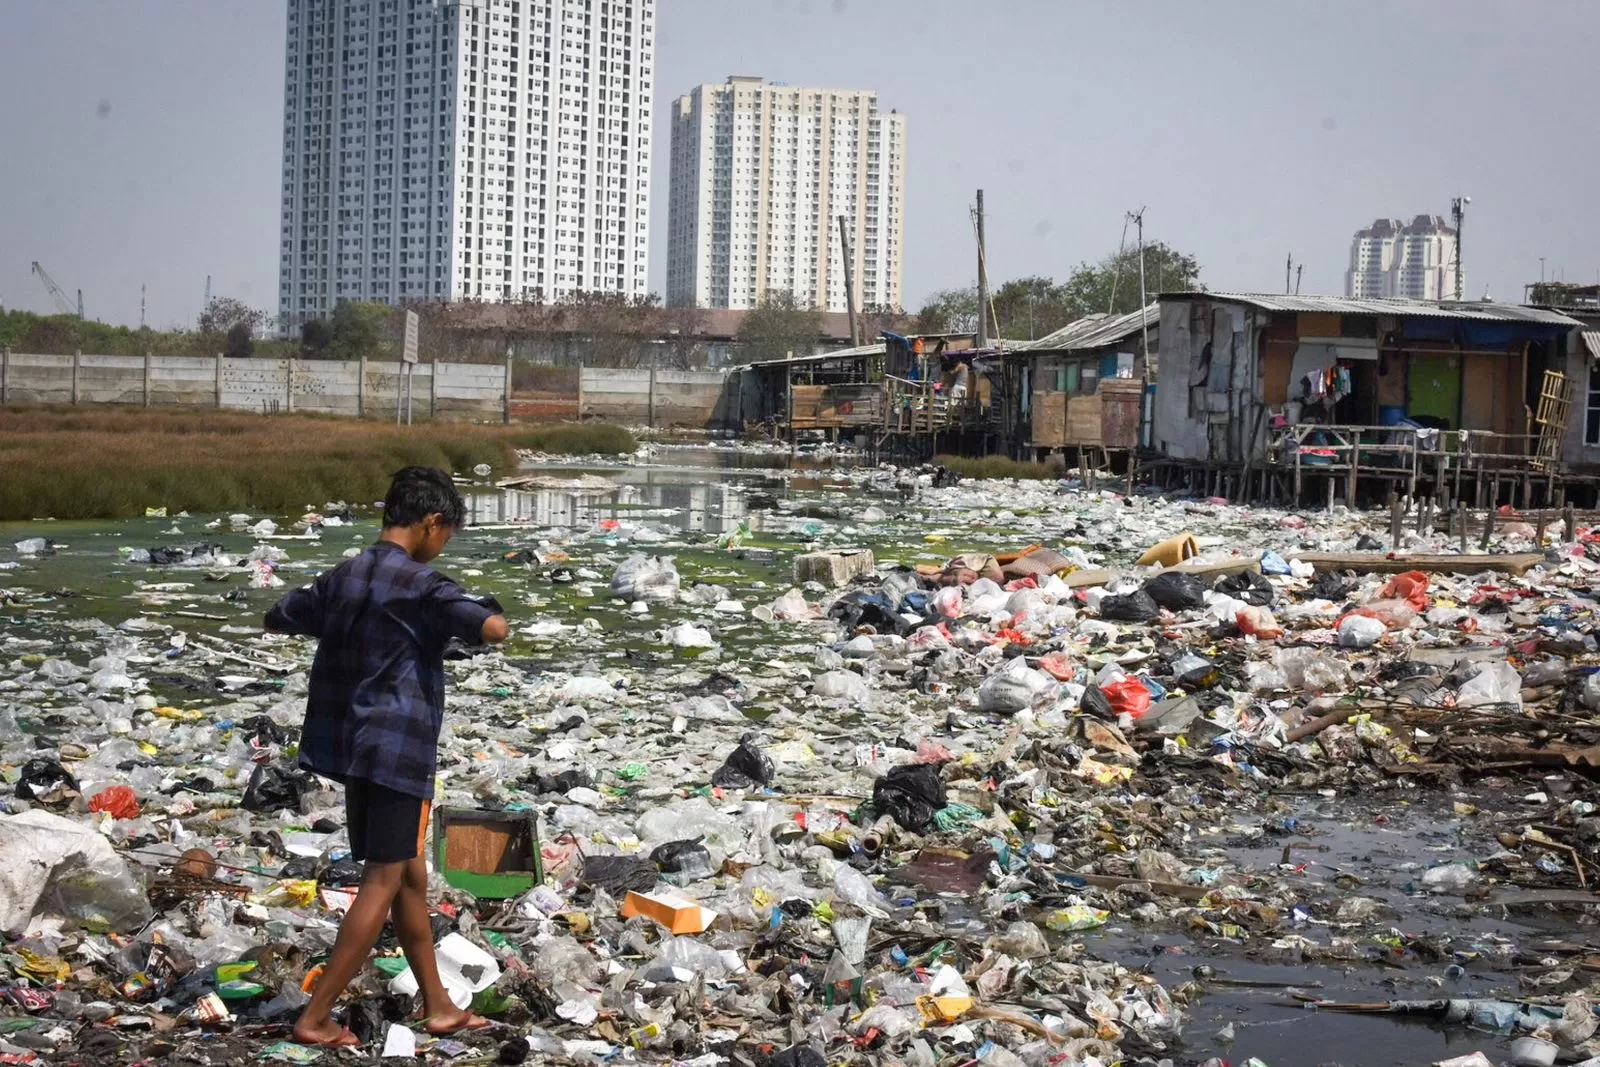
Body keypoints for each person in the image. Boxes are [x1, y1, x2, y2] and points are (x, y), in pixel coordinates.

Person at [265, 466, 509, 1048]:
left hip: (350, 746)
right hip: (399, 749)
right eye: (445, 534)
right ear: (431, 522)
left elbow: (280, 614)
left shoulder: (344, 575)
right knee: (382, 878)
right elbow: (492, 628)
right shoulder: (424, 586)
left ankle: (440, 1006)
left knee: (407, 878)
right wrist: (467, 615)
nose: (442, 545)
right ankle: (316, 1016)